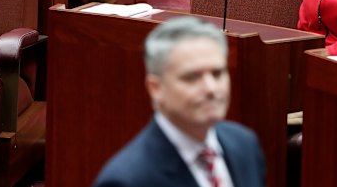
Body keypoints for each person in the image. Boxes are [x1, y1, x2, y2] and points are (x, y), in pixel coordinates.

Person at [93, 16, 266, 187]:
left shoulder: (245, 144)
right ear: (156, 88)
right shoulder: (126, 180)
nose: (211, 88)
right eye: (191, 77)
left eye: (217, 73)